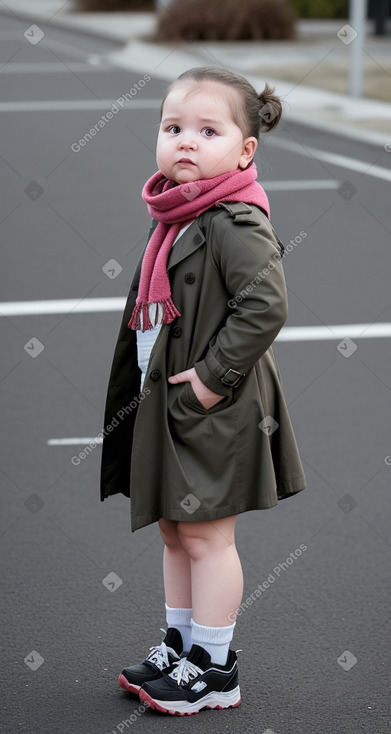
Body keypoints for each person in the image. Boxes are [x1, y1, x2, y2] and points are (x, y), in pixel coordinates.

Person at [100, 66, 306, 716]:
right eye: (173, 128)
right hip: (171, 401)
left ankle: (213, 666)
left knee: (207, 538)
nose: (185, 142)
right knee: (173, 529)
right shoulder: (180, 214)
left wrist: (214, 381)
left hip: (213, 405)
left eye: (207, 131)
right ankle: (180, 642)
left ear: (245, 150)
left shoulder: (233, 219)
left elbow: (264, 305)